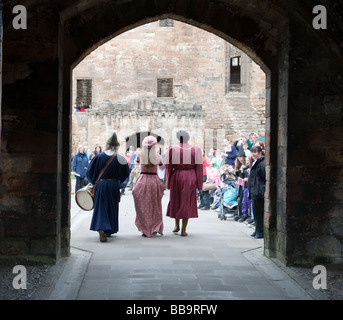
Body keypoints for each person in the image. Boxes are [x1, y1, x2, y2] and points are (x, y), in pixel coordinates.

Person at [86, 132, 130, 242]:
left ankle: (102, 228)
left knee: (101, 206)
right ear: (116, 147)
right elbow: (125, 174)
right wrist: (119, 183)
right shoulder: (120, 158)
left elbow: (90, 172)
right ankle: (109, 229)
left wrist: (94, 182)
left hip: (101, 184)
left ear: (107, 145)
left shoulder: (98, 157)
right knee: (112, 206)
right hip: (113, 185)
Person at [165, 130, 203, 236]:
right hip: (190, 176)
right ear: (188, 138)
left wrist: (168, 181)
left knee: (176, 200)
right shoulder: (195, 150)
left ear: (178, 138)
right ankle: (183, 229)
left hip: (176, 176)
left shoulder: (172, 149)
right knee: (186, 201)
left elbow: (168, 166)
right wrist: (200, 184)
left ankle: (176, 225)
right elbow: (199, 167)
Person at [132, 136, 165, 238]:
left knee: (143, 206)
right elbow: (162, 167)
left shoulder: (139, 155)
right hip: (154, 182)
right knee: (155, 206)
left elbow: (136, 165)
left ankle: (145, 228)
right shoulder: (158, 157)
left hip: (142, 181)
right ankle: (155, 227)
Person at [247, 145, 266, 239]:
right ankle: (257, 230)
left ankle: (261, 232)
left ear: (260, 153)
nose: (253, 154)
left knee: (259, 213)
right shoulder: (254, 163)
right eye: (252, 152)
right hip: (254, 192)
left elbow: (265, 178)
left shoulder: (261, 164)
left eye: (255, 152)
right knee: (255, 213)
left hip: (259, 192)